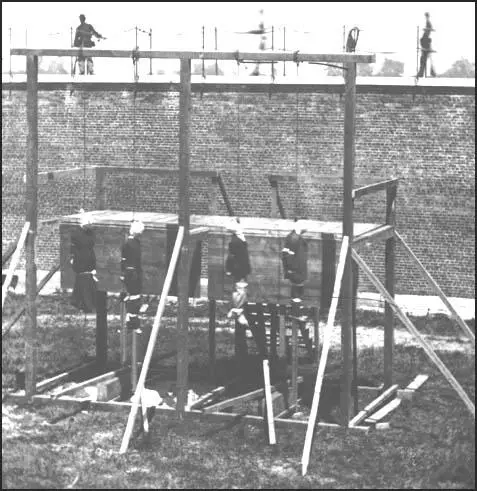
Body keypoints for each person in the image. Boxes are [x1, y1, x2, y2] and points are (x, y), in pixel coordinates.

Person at [70, 210, 98, 312]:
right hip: (82, 262)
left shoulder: (86, 234)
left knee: (86, 285)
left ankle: (85, 304)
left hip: (86, 261)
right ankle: (85, 304)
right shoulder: (78, 235)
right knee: (84, 285)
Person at [225, 218, 251, 327]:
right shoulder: (235, 241)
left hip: (242, 269)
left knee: (241, 289)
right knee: (240, 289)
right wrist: (230, 269)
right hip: (239, 269)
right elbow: (231, 257)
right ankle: (237, 311)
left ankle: (237, 311)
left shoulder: (239, 238)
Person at [121, 220, 145, 331]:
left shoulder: (136, 243)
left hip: (136, 273)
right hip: (131, 273)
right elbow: (124, 260)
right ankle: (132, 323)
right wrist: (124, 273)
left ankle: (131, 321)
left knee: (136, 297)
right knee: (134, 297)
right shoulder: (128, 244)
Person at [417, 12, 436, 78]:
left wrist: (427, 49)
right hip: (425, 44)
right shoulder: (425, 38)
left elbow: (430, 29)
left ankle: (424, 73)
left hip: (425, 44)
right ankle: (421, 73)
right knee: (423, 61)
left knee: (424, 60)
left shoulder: (426, 37)